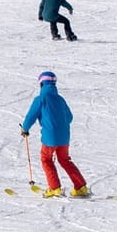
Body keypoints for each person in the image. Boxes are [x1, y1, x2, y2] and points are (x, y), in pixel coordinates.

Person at [20, 70, 89, 198]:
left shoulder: (40, 99)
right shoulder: (60, 99)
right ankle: (81, 187)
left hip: (49, 138)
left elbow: (31, 117)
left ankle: (54, 188)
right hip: (64, 137)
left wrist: (25, 128)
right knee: (65, 160)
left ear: (41, 84)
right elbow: (69, 117)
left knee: (46, 159)